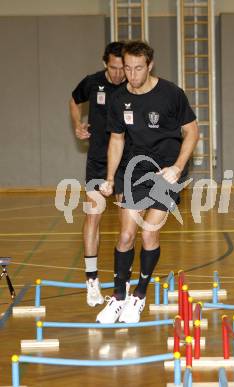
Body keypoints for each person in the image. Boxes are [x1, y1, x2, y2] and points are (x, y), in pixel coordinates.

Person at [97, 40, 199, 324]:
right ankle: (118, 297)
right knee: (126, 236)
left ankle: (139, 295)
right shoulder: (119, 100)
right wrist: (108, 178)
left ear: (150, 65)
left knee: (149, 235)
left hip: (166, 173)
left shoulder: (171, 94)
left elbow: (192, 133)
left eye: (138, 68)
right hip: (132, 171)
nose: (132, 74)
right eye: (127, 68)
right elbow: (116, 140)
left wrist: (178, 168)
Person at [70, 41, 127, 307]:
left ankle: (122, 282)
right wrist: (77, 124)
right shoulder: (92, 83)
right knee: (94, 216)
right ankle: (91, 280)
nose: (118, 74)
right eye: (113, 68)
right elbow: (73, 99)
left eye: (122, 68)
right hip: (97, 161)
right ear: (106, 63)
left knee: (128, 222)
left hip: (127, 163)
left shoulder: (134, 86)